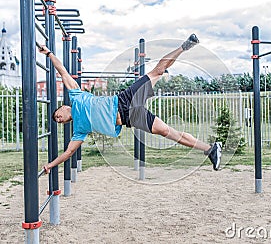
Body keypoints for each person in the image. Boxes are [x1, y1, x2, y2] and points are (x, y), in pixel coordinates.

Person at [39, 34, 222, 173]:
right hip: (130, 118)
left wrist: (49, 53)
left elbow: (62, 71)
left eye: (57, 116)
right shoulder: (79, 129)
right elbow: (68, 152)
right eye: (59, 122)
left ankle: (184, 46)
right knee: (168, 133)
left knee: (158, 71)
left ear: (63, 107)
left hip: (125, 99)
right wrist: (50, 165)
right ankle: (210, 149)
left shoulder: (76, 95)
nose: (60, 119)